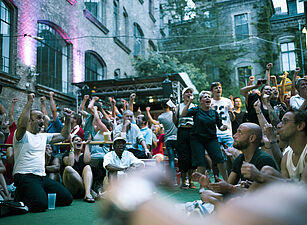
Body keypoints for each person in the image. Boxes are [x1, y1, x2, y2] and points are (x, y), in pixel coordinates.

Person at [13, 93, 73, 212]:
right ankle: (21, 194)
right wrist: (29, 103)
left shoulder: (43, 136)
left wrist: (67, 119)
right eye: (39, 118)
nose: (42, 120)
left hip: (41, 177)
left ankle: (34, 192)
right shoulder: (21, 135)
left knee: (67, 198)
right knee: (40, 205)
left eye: (42, 117)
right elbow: (21, 124)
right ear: (30, 120)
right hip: (24, 175)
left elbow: (64, 135)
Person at [193, 122, 278, 195]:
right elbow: (228, 187)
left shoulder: (264, 160)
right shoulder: (240, 159)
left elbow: (266, 195)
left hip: (263, 206)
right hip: (245, 202)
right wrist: (209, 184)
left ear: (251, 138)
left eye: (239, 133)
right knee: (207, 195)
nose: (234, 136)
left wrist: (229, 188)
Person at [245, 109, 307, 183]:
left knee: (266, 174)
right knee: (267, 170)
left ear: (300, 126)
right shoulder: (287, 156)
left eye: (285, 121)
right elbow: (285, 189)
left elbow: (303, 189)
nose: (278, 125)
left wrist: (260, 177)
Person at [181, 91, 228, 182]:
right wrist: (189, 102)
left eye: (209, 97)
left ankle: (227, 182)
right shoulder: (196, 110)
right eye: (205, 97)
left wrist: (224, 127)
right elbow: (183, 114)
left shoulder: (214, 112)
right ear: (201, 101)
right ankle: (202, 186)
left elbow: (220, 126)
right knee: (201, 163)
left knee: (220, 160)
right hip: (197, 139)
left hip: (211, 139)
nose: (207, 98)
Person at [173, 87, 197, 189]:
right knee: (183, 157)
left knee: (192, 156)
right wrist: (174, 113)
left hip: (192, 132)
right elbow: (175, 121)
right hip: (182, 132)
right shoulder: (179, 106)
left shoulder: (195, 106)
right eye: (187, 92)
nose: (189, 94)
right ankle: (183, 181)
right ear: (183, 95)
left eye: (190, 92)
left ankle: (191, 181)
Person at [63, 136, 95, 203]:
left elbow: (87, 161)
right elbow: (70, 164)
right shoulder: (66, 155)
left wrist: (86, 145)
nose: (79, 141)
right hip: (71, 187)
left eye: (80, 140)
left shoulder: (84, 155)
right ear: (72, 143)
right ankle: (88, 191)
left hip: (83, 188)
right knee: (68, 168)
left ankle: (87, 194)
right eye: (76, 140)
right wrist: (71, 148)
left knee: (88, 167)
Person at [211, 82, 235, 148]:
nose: (218, 89)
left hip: (227, 133)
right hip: (215, 133)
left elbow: (233, 119)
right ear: (212, 91)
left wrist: (230, 111)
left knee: (231, 153)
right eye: (216, 88)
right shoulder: (209, 102)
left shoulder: (227, 101)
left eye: (220, 88)